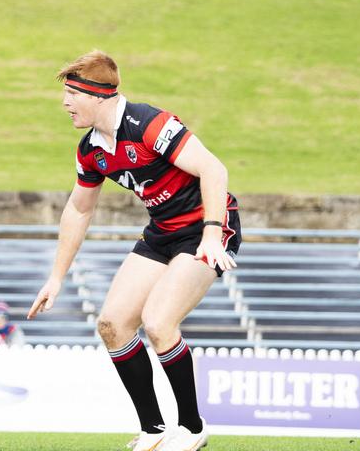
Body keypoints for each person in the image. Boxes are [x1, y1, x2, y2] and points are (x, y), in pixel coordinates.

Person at [29, 50, 241, 451]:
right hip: (163, 231)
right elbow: (78, 208)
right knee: (112, 325)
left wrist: (212, 235)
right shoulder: (90, 148)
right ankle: (155, 431)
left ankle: (193, 428)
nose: (66, 102)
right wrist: (56, 278)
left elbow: (214, 169)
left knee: (159, 322)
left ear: (99, 95)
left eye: (73, 93)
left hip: (206, 226)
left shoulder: (148, 124)